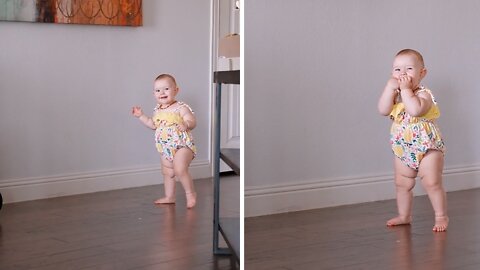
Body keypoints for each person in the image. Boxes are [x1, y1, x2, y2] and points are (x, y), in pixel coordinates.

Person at [378, 49, 448, 232]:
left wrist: (406, 90)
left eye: (409, 69)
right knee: (402, 183)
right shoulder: (396, 96)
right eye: (397, 70)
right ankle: (404, 215)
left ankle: (441, 216)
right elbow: (383, 110)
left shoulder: (424, 94)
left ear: (422, 73)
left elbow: (415, 110)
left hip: (427, 147)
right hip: (403, 148)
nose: (402, 74)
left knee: (432, 182)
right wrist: (389, 88)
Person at [132, 74, 197, 209]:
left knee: (179, 169)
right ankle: (169, 196)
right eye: (158, 90)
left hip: (182, 145)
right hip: (165, 147)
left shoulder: (180, 107)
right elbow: (152, 125)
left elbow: (192, 120)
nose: (162, 93)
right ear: (154, 93)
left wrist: (186, 124)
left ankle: (190, 193)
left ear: (176, 90)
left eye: (166, 89)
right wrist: (141, 116)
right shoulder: (157, 110)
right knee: (168, 172)